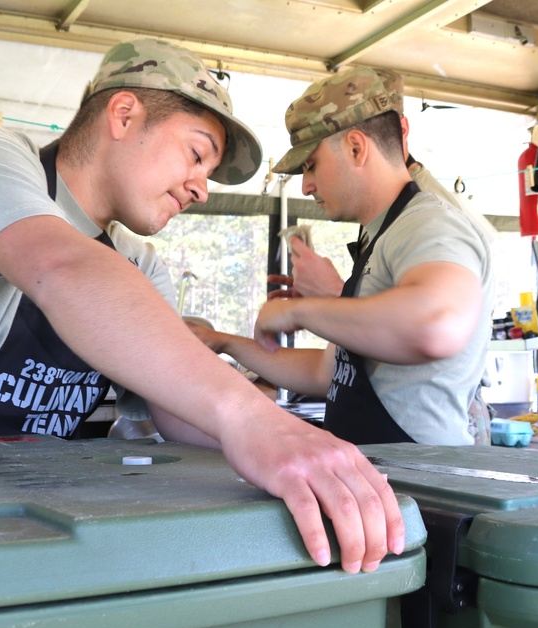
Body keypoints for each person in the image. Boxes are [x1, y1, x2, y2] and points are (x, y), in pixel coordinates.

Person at [0, 39, 405, 628]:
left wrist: (286, 447)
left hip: (24, 552)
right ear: (124, 114)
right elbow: (60, 267)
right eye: (196, 155)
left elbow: (180, 411)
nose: (201, 189)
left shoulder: (137, 265)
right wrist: (249, 419)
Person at [189, 67, 494, 446]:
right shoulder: (379, 234)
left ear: (355, 147)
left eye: (311, 165)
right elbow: (325, 372)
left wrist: (299, 312)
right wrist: (224, 342)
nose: (306, 185)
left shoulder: (428, 225)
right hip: (381, 475)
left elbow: (436, 324)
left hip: (424, 484)